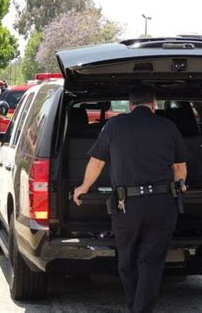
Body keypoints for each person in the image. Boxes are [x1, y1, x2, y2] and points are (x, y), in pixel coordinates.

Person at [73, 88, 188, 312]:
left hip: (128, 206)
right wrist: (180, 185)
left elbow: (97, 163)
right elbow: (180, 168)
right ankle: (140, 308)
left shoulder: (115, 126)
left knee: (126, 260)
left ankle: (136, 307)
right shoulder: (168, 126)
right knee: (151, 262)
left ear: (129, 105)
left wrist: (83, 188)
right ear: (154, 105)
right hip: (163, 204)